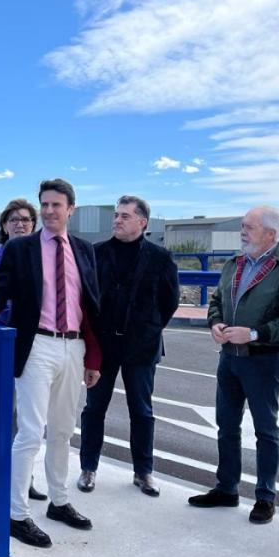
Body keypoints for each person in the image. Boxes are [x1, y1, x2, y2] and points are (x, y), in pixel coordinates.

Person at [0, 179, 101, 549]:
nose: (50, 211)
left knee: (62, 431)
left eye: (57, 205)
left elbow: (90, 307)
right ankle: (17, 515)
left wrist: (93, 356)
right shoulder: (22, 249)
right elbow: (0, 287)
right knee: (29, 432)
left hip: (73, 348)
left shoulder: (85, 251)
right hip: (37, 345)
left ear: (71, 209)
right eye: (45, 205)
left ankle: (59, 501)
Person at [189, 206, 279, 524]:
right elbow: (216, 300)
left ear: (271, 234)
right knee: (226, 426)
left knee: (265, 430)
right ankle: (227, 488)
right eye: (243, 226)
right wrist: (215, 323)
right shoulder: (235, 263)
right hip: (229, 358)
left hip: (264, 361)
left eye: (249, 227)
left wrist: (255, 334)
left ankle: (265, 497)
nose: (243, 231)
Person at [77, 195, 179, 497]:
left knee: (142, 410)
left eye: (124, 216)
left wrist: (147, 328)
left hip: (141, 347)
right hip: (104, 346)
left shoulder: (160, 258)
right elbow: (86, 298)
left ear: (142, 222)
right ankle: (88, 468)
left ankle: (143, 472)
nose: (117, 220)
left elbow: (169, 302)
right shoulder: (96, 254)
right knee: (94, 408)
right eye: (116, 215)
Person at [0, 198, 45, 505]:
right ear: (4, 226)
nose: (21, 224)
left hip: (34, 342)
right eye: (14, 219)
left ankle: (23, 479)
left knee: (29, 416)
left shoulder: (42, 255)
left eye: (27, 219)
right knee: (2, 410)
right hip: (6, 338)